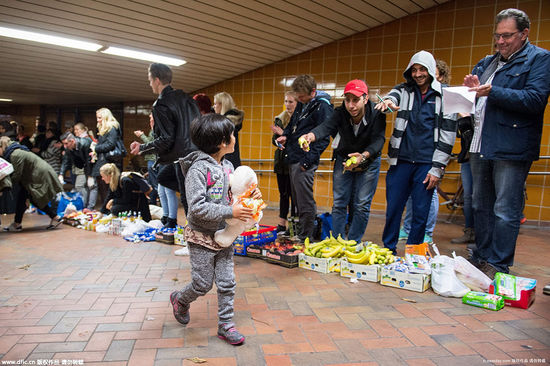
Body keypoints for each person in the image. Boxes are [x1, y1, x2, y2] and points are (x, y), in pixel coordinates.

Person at [463, 8, 550, 278]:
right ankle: (483, 256)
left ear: (524, 34)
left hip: (511, 146)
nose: (500, 42)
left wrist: (493, 91)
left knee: (504, 209)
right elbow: (476, 98)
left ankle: (499, 264)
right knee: (480, 205)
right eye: (497, 36)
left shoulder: (540, 59)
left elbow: (535, 99)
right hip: (480, 142)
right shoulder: (486, 62)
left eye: (507, 36)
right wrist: (468, 92)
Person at [171, 113, 260, 346]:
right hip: (202, 237)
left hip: (226, 236)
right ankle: (180, 299)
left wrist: (251, 195)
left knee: (227, 282)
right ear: (222, 141)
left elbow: (237, 194)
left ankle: (226, 325)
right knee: (202, 284)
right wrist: (231, 212)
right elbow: (196, 209)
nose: (234, 137)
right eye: (232, 134)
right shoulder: (198, 171)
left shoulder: (229, 166)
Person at [376, 50, 457, 254]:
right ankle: (388, 251)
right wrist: (387, 103)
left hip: (426, 164)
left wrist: (437, 168)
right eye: (414, 70)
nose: (418, 74)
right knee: (394, 209)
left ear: (430, 70)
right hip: (401, 161)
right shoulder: (403, 90)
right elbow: (391, 98)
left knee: (420, 213)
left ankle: (414, 255)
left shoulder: (446, 95)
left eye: (422, 69)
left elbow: (448, 134)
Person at [299, 79, 385, 242]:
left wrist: (363, 156)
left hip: (369, 158)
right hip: (344, 158)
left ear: (365, 99)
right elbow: (326, 127)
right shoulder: (340, 113)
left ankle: (353, 242)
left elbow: (379, 140)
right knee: (339, 202)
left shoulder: (376, 113)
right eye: (347, 100)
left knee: (361, 204)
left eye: (356, 100)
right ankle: (337, 242)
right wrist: (310, 136)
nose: (351, 105)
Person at [130, 63, 200, 228]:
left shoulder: (161, 104)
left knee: (187, 196)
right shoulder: (186, 98)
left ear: (157, 80)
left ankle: (195, 237)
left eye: (150, 80)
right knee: (164, 179)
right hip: (196, 153)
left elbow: (166, 139)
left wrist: (142, 148)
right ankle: (187, 226)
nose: (149, 84)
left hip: (180, 157)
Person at [276, 74, 333, 241]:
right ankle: (299, 233)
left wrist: (307, 161)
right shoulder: (303, 104)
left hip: (305, 160)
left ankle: (306, 236)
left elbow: (324, 138)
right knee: (297, 200)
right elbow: (294, 123)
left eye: (301, 96)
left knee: (304, 200)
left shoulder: (323, 107)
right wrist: (285, 136)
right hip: (293, 157)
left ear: (313, 92)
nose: (299, 100)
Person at [399, 59, 451, 244]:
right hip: (413, 156)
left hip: (432, 157)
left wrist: (439, 163)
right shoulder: (414, 94)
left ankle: (427, 231)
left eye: (431, 74)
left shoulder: (444, 97)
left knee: (430, 193)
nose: (422, 77)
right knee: (414, 195)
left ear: (441, 77)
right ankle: (408, 228)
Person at [0, 136, 63, 231]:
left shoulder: (15, 154)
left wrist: (3, 186)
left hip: (39, 175)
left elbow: (17, 175)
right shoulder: (14, 151)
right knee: (26, 197)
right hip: (33, 176)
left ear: (2, 146)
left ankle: (54, 217)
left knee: (33, 198)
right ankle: (18, 223)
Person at [270, 91, 297, 233]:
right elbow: (274, 140)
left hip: (295, 162)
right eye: (286, 101)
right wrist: (280, 141)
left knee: (295, 195)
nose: (287, 104)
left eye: (290, 102)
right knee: (284, 194)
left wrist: (284, 135)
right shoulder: (279, 118)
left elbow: (300, 140)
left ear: (297, 103)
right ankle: (282, 223)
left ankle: (293, 225)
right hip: (281, 162)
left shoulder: (301, 118)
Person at [91, 108, 124, 206]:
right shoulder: (106, 129)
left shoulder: (111, 128)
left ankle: (108, 208)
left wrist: (96, 148)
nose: (98, 120)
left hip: (107, 161)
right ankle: (106, 208)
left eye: (99, 118)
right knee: (104, 187)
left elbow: (110, 144)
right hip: (104, 160)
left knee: (108, 188)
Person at [59, 131, 95, 208]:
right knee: (81, 186)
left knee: (92, 186)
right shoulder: (69, 148)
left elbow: (90, 161)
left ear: (72, 141)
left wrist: (90, 176)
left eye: (66, 143)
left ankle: (89, 208)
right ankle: (84, 206)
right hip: (83, 166)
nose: (64, 146)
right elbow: (65, 161)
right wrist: (61, 174)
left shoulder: (85, 143)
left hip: (94, 165)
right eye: (63, 144)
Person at [213, 92, 244, 168]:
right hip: (232, 161)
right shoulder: (231, 122)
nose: (213, 107)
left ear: (222, 105)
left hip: (225, 161)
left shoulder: (224, 123)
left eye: (215, 104)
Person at [134, 114, 158, 205]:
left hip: (153, 160)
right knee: (153, 184)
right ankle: (152, 204)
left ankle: (154, 205)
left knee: (154, 185)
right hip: (152, 159)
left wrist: (142, 135)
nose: (149, 117)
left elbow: (151, 144)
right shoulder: (154, 129)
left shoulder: (155, 130)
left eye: (151, 116)